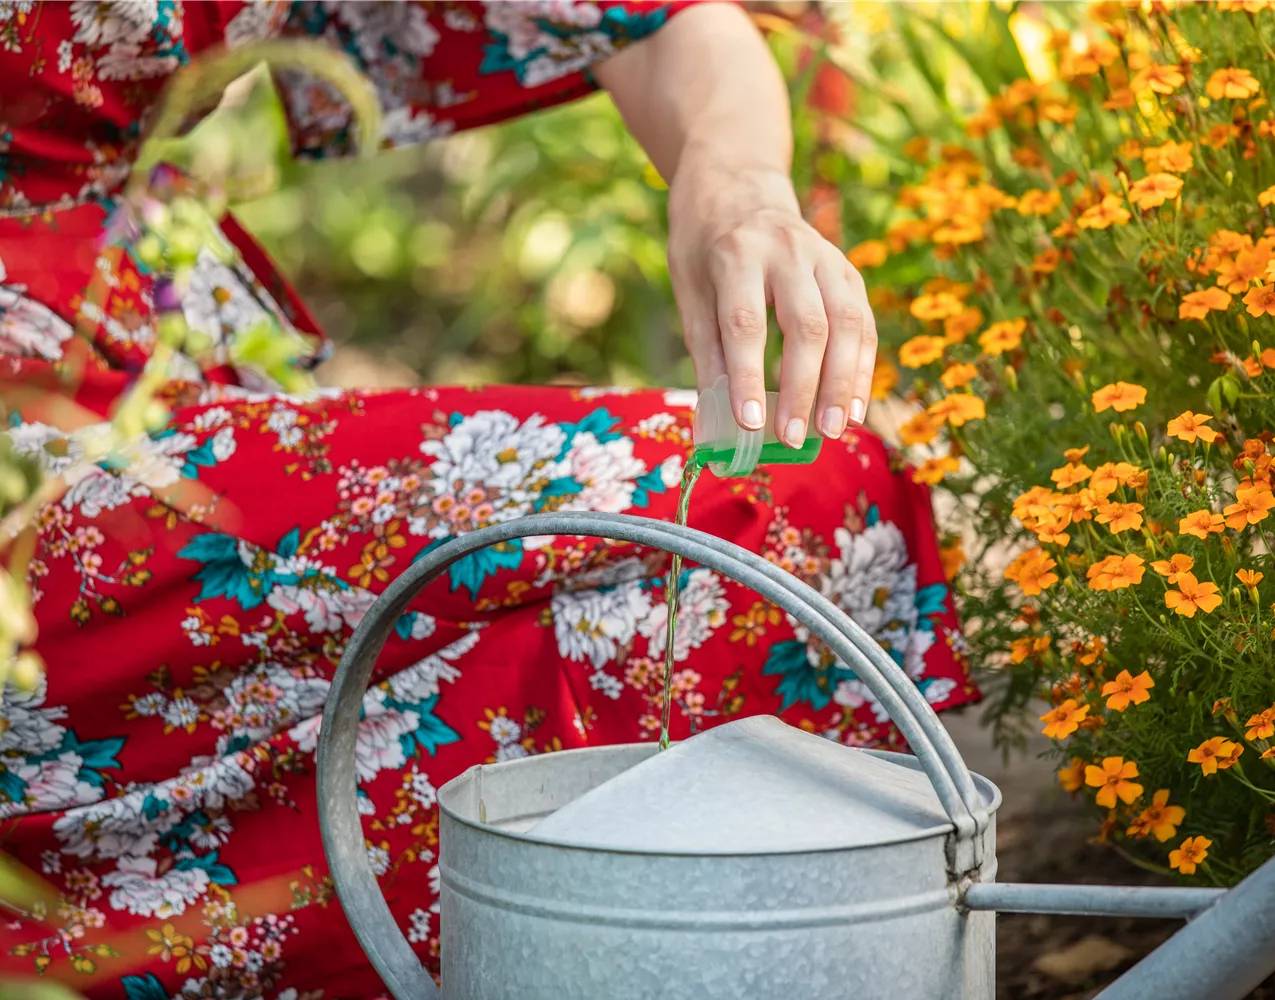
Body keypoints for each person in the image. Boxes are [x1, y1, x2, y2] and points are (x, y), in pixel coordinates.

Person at [0, 2, 975, 996]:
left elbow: (649, 23)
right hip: (28, 461)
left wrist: (737, 189)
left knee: (802, 491)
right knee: (713, 518)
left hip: (157, 347)